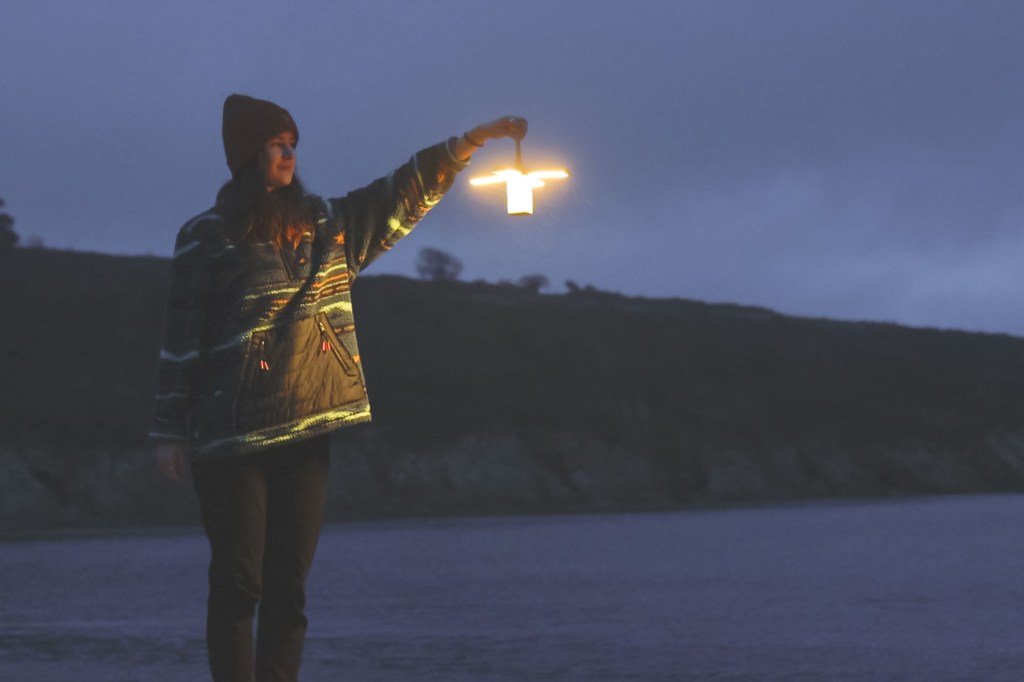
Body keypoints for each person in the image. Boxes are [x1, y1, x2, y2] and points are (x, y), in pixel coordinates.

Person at [150, 93, 527, 682]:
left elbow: (398, 193)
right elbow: (182, 334)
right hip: (230, 436)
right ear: (250, 153)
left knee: (288, 589)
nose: (289, 154)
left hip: (308, 427)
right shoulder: (206, 235)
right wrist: (169, 427)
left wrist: (470, 142)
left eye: (293, 144)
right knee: (238, 581)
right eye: (278, 144)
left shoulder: (325, 224)